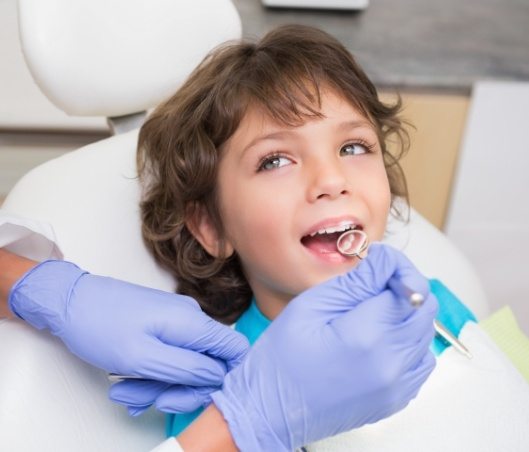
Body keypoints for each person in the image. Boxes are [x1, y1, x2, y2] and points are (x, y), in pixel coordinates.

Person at [0, 24, 439, 451]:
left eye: (353, 147)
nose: (331, 179)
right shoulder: (224, 394)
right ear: (211, 227)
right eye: (275, 161)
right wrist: (251, 426)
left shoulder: (429, 303)